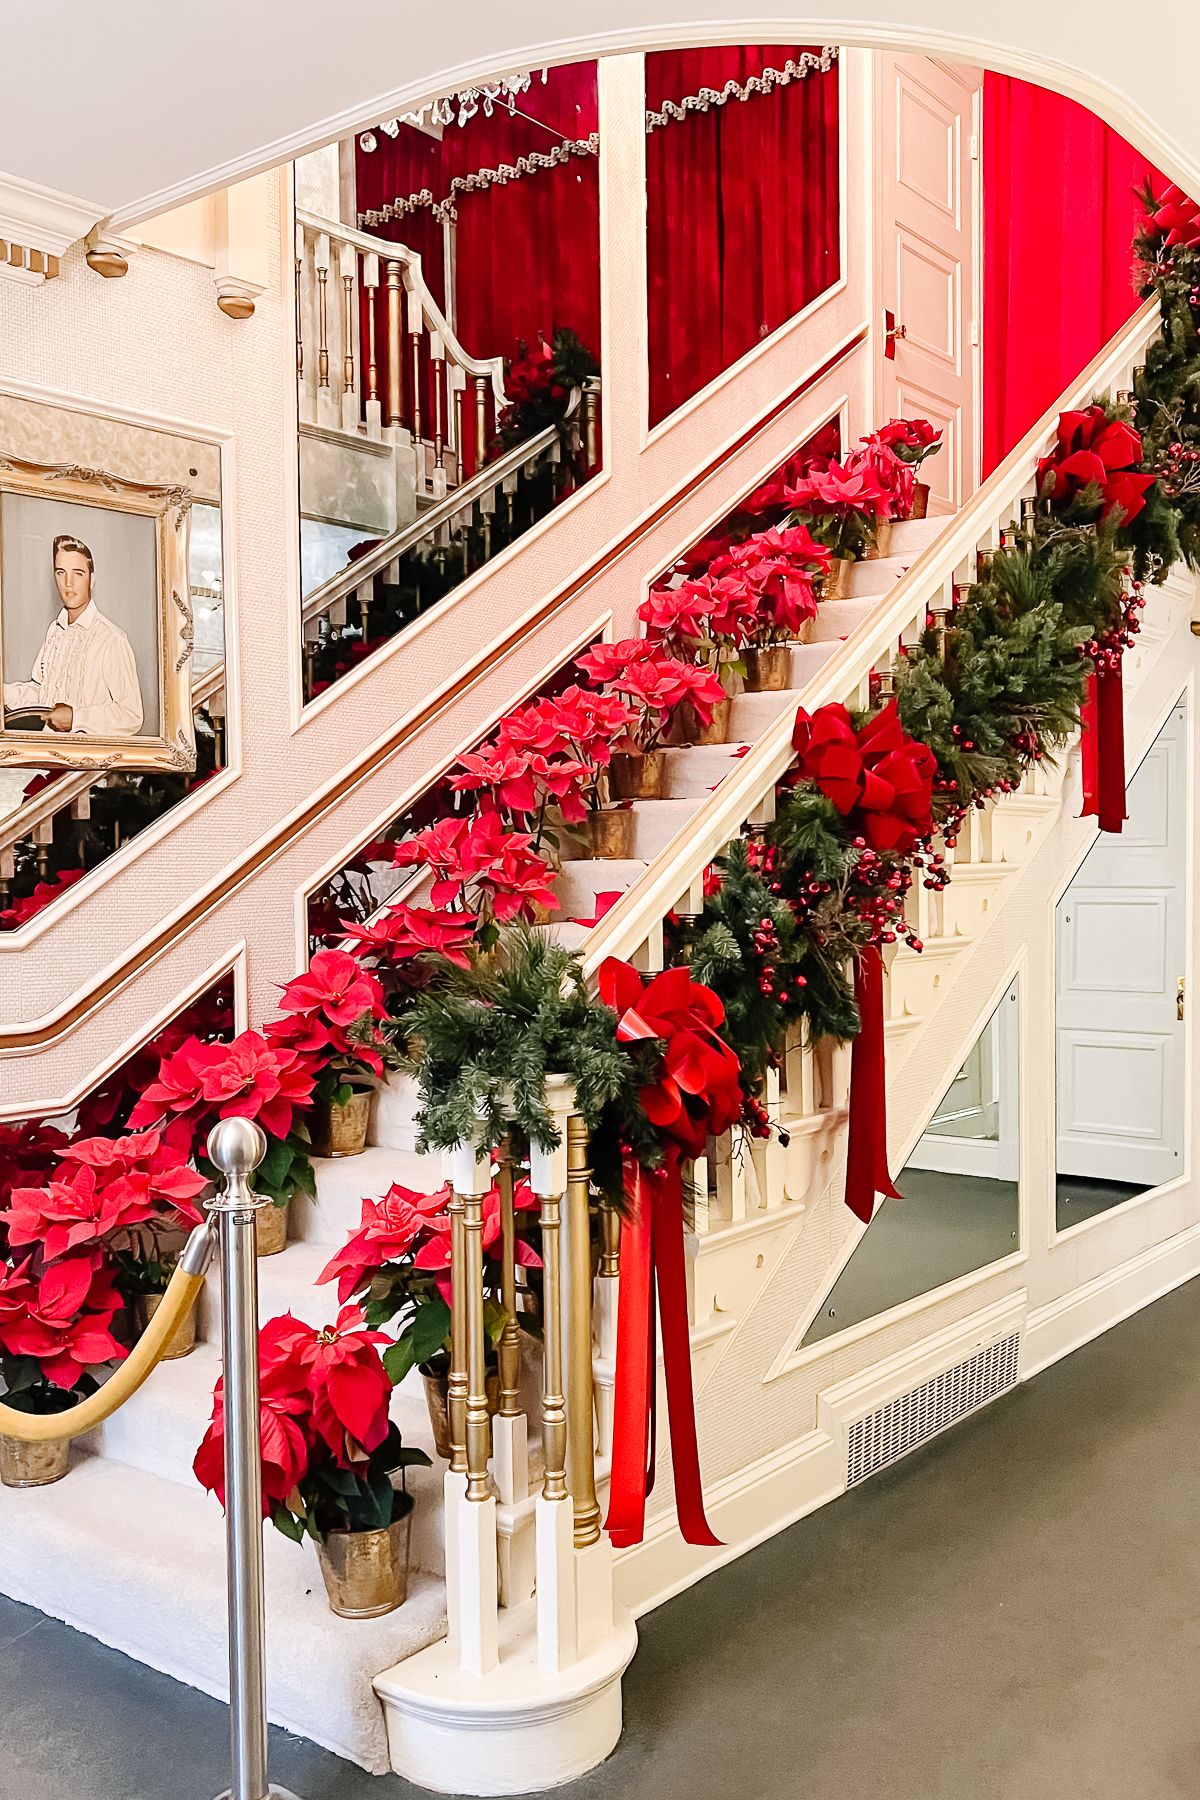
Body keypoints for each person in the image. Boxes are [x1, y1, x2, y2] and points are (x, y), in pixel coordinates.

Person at [3, 533, 143, 736]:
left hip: (88, 763)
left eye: (77, 573)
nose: (68, 583)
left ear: (91, 580)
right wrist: (4, 693)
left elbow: (131, 716)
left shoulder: (111, 639)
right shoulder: (55, 631)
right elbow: (41, 694)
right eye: (61, 573)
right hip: (46, 754)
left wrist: (76, 717)